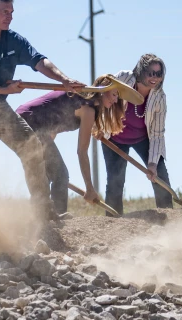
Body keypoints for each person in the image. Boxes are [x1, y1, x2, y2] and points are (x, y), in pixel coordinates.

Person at [0, 0, 84, 220]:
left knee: (31, 147)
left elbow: (39, 60)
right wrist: (6, 90)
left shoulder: (14, 40)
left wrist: (64, 80)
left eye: (11, 12)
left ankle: (43, 213)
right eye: (5, 11)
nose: (9, 16)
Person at [16, 74, 125, 216]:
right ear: (103, 90)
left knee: (46, 175)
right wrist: (90, 188)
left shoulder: (84, 103)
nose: (116, 100)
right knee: (60, 175)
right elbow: (82, 152)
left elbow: (52, 129)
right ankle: (56, 217)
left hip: (23, 122)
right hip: (29, 123)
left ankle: (40, 218)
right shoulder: (87, 108)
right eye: (114, 94)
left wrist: (45, 159)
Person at [103, 55, 174, 215]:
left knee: (160, 175)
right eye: (150, 73)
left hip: (143, 139)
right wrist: (98, 125)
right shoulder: (123, 78)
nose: (154, 78)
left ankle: (168, 216)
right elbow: (102, 97)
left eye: (158, 73)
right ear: (141, 71)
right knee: (115, 181)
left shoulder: (159, 97)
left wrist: (153, 163)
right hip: (114, 137)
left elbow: (157, 133)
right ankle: (112, 221)